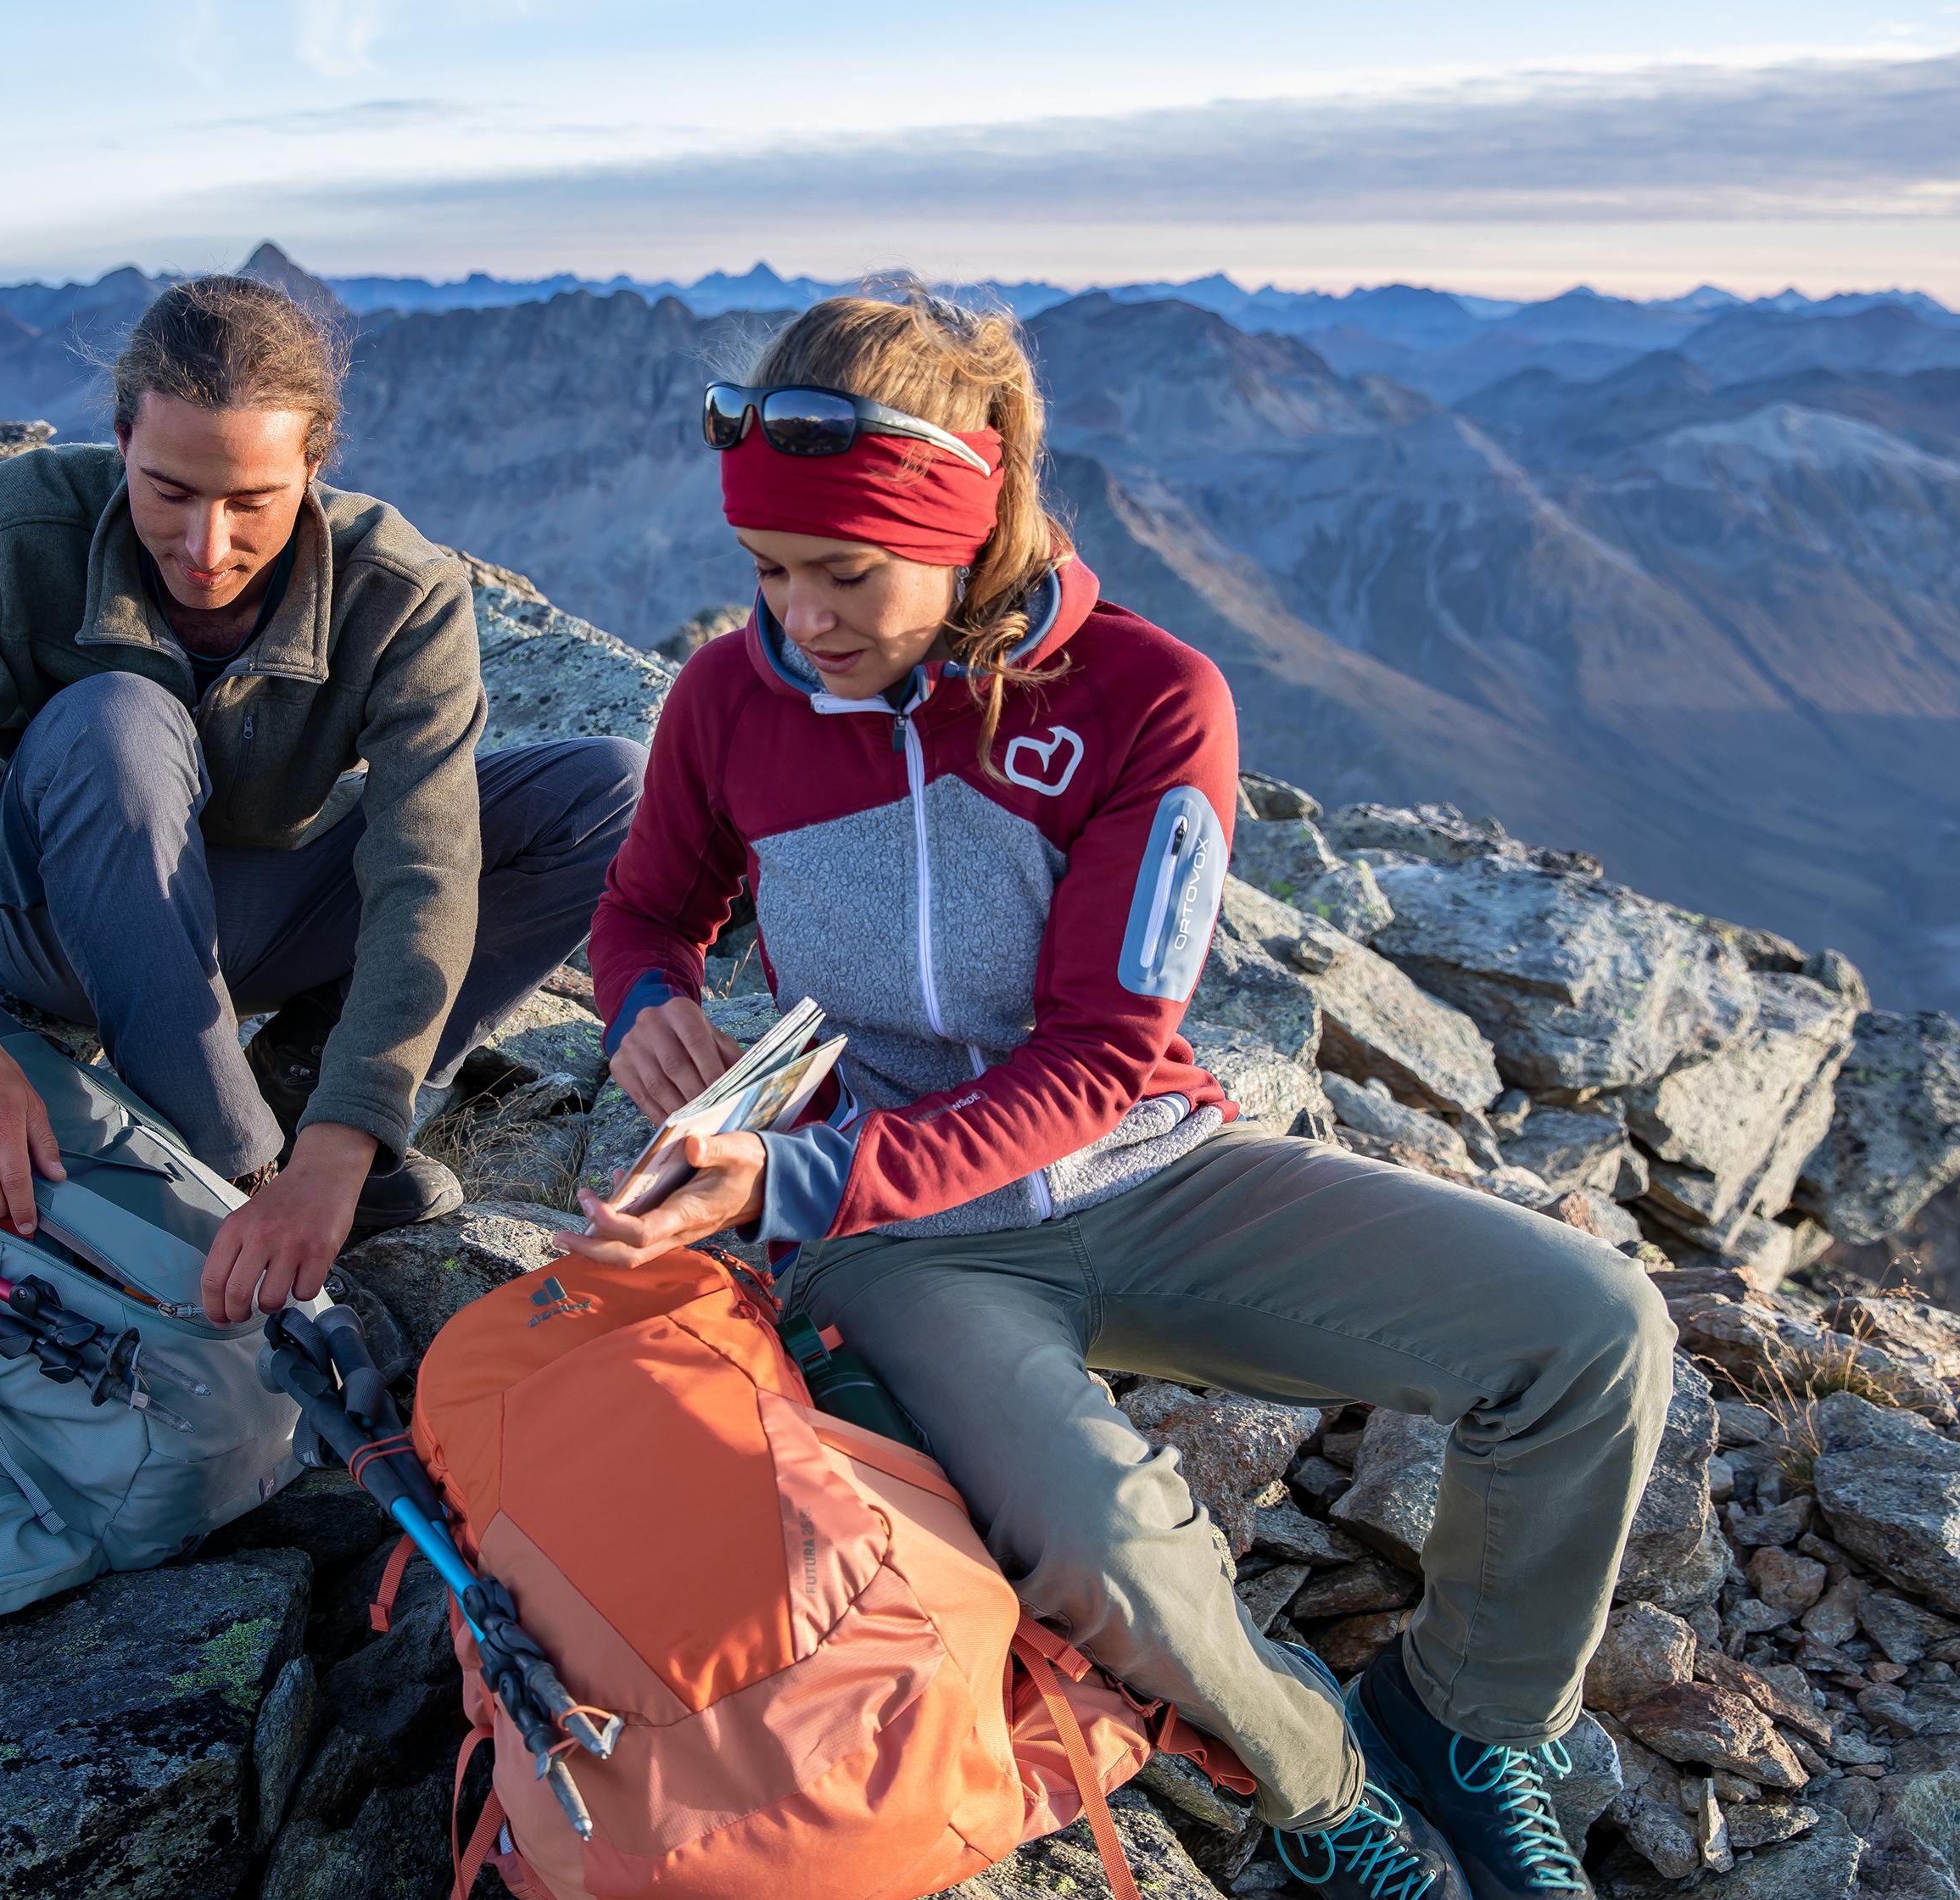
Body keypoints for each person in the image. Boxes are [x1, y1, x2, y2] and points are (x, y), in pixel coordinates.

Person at [563, 285, 1672, 1900]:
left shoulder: (1148, 703)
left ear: (979, 507)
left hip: (1142, 1173)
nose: (796, 617)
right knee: (1114, 1556)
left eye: (845, 573)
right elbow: (643, 911)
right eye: (769, 571)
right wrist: (646, 1004)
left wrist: (787, 1184)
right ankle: (1326, 1788)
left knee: (1591, 1331)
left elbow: (1099, 1055)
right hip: (904, 1233)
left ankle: (1473, 1722)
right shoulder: (732, 700)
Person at [0, 274, 643, 1327]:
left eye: (252, 501)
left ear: (315, 461)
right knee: (116, 715)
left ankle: (305, 1100)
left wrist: (348, 1141)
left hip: (253, 914)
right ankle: (236, 1171)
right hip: (52, 923)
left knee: (612, 790)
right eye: (169, 490)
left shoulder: (399, 591)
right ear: (122, 440)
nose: (207, 547)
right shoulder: (17, 530)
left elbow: (423, 869)